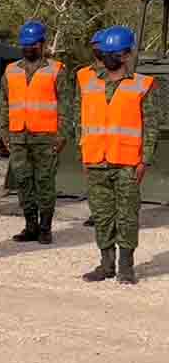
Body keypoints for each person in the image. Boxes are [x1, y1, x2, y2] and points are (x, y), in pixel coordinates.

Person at [79, 26, 157, 284]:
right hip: (96, 160)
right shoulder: (88, 82)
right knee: (101, 215)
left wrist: (144, 160)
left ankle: (125, 266)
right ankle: (106, 264)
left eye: (114, 53)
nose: (108, 56)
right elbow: (84, 122)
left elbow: (150, 126)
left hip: (127, 163)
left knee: (126, 215)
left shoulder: (142, 85)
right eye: (106, 52)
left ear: (126, 56)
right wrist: (85, 155)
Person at [0, 21, 71, 245]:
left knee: (45, 182)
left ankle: (45, 228)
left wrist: (61, 135)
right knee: (23, 181)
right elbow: (4, 104)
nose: (28, 48)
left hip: (46, 137)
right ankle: (30, 225)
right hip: (19, 136)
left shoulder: (57, 70)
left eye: (32, 44)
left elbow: (66, 105)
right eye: (25, 45)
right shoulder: (11, 70)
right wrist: (4, 133)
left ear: (42, 44)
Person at [81, 30, 106, 228]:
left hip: (113, 137)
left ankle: (109, 215)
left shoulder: (122, 74)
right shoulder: (82, 74)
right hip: (90, 138)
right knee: (92, 179)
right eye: (94, 45)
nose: (97, 49)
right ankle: (96, 213)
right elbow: (76, 104)